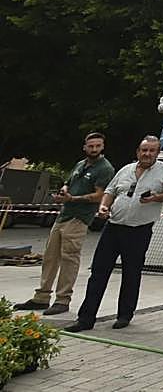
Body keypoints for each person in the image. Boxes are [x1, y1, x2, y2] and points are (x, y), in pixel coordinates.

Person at [64, 136, 163, 332]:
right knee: (98, 272)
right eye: (144, 150)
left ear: (158, 153)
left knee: (131, 273)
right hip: (114, 226)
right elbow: (110, 191)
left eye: (152, 151)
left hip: (139, 229)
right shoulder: (126, 170)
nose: (147, 154)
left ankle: (125, 315)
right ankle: (85, 319)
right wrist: (103, 207)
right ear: (137, 152)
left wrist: (155, 198)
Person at [14, 133, 115, 316]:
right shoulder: (80, 164)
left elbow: (100, 195)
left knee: (69, 259)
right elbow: (68, 183)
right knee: (50, 257)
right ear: (84, 147)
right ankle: (42, 297)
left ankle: (62, 299)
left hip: (79, 217)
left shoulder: (105, 168)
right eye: (91, 146)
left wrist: (73, 198)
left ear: (102, 147)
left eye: (97, 146)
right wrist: (64, 192)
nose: (94, 149)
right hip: (63, 215)